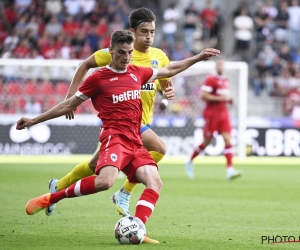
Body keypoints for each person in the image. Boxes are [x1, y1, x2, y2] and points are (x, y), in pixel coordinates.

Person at [17, 30, 220, 243]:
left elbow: (169, 69)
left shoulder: (136, 72)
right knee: (105, 182)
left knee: (155, 182)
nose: (126, 57)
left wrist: (198, 58)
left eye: (130, 52)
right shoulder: (98, 78)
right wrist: (33, 120)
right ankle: (52, 198)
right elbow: (69, 104)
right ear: (111, 51)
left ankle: (138, 228)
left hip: (135, 140)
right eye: (122, 52)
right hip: (115, 138)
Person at [45, 8, 175, 219]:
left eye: (152, 31)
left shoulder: (159, 56)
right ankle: (124, 192)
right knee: (160, 149)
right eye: (144, 32)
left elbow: (165, 82)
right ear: (132, 31)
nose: (149, 36)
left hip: (140, 122)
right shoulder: (119, 52)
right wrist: (71, 97)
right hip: (121, 122)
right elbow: (84, 64)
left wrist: (168, 90)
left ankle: (57, 185)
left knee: (94, 166)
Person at [185, 57, 242, 180]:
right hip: (212, 115)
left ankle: (230, 170)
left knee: (228, 139)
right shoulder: (211, 79)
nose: (221, 67)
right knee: (207, 141)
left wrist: (229, 100)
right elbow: (203, 96)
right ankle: (189, 161)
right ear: (216, 66)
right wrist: (222, 99)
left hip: (224, 114)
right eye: (219, 65)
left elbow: (223, 97)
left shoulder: (226, 80)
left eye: (222, 64)